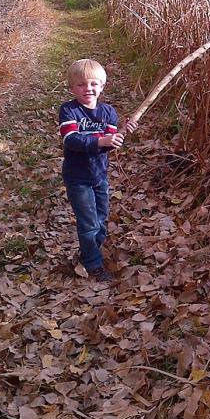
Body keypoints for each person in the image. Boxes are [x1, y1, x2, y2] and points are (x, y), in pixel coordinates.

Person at [58, 59, 137, 282]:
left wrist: (123, 132)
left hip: (99, 175)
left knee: (101, 219)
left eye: (94, 84)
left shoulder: (108, 112)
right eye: (81, 84)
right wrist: (102, 140)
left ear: (102, 86)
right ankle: (92, 263)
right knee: (88, 223)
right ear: (72, 88)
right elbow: (71, 140)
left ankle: (89, 249)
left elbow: (111, 144)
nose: (88, 89)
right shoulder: (69, 110)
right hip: (77, 177)